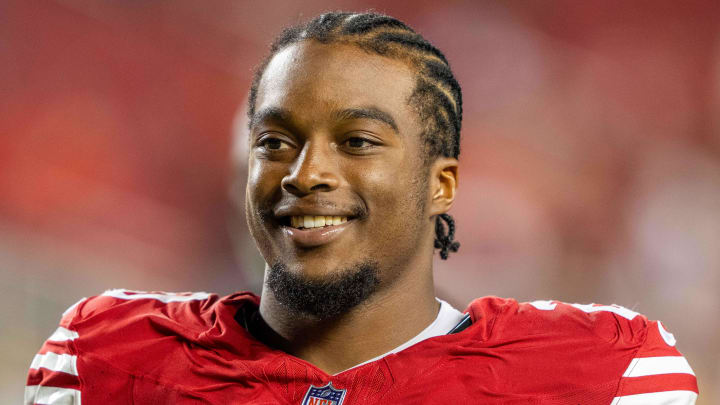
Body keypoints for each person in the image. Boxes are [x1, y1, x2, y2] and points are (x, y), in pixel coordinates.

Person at [25, 12, 697, 404]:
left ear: (442, 184)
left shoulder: (607, 372)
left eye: (358, 141)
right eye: (276, 140)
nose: (308, 172)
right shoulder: (107, 357)